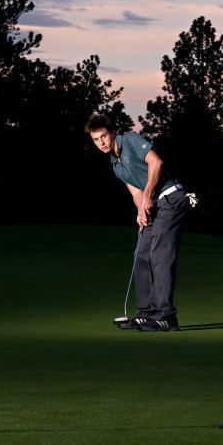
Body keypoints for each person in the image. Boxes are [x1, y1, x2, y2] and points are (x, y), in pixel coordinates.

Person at [85, 113, 192, 332]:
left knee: (159, 256)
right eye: (96, 140)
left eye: (104, 136)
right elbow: (135, 191)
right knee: (141, 255)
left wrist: (147, 196)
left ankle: (166, 316)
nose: (101, 142)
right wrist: (140, 211)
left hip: (171, 198)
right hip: (154, 205)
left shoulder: (131, 140)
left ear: (113, 132)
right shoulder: (115, 165)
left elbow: (156, 162)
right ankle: (146, 313)